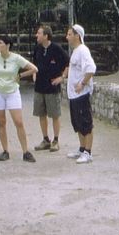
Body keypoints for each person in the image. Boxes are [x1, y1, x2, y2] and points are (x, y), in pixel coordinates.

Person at [0, 35, 39, 162]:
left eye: (1, 43)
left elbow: (34, 68)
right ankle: (5, 151)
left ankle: (25, 152)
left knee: (18, 122)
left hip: (12, 91)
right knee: (1, 122)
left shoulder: (16, 58)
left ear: (7, 45)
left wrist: (20, 75)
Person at [31, 25, 69, 153]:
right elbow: (33, 63)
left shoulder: (56, 48)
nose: (36, 35)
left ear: (46, 36)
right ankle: (45, 139)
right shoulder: (37, 48)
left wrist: (62, 77)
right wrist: (34, 73)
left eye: (39, 33)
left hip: (52, 87)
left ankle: (56, 140)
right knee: (41, 114)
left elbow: (68, 63)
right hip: (39, 87)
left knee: (55, 115)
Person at [63, 24, 97, 164]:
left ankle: (88, 152)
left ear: (77, 36)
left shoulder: (83, 50)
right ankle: (82, 149)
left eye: (70, 34)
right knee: (77, 123)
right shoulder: (76, 51)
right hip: (74, 95)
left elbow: (91, 69)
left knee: (85, 123)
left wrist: (82, 83)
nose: (67, 37)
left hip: (81, 94)